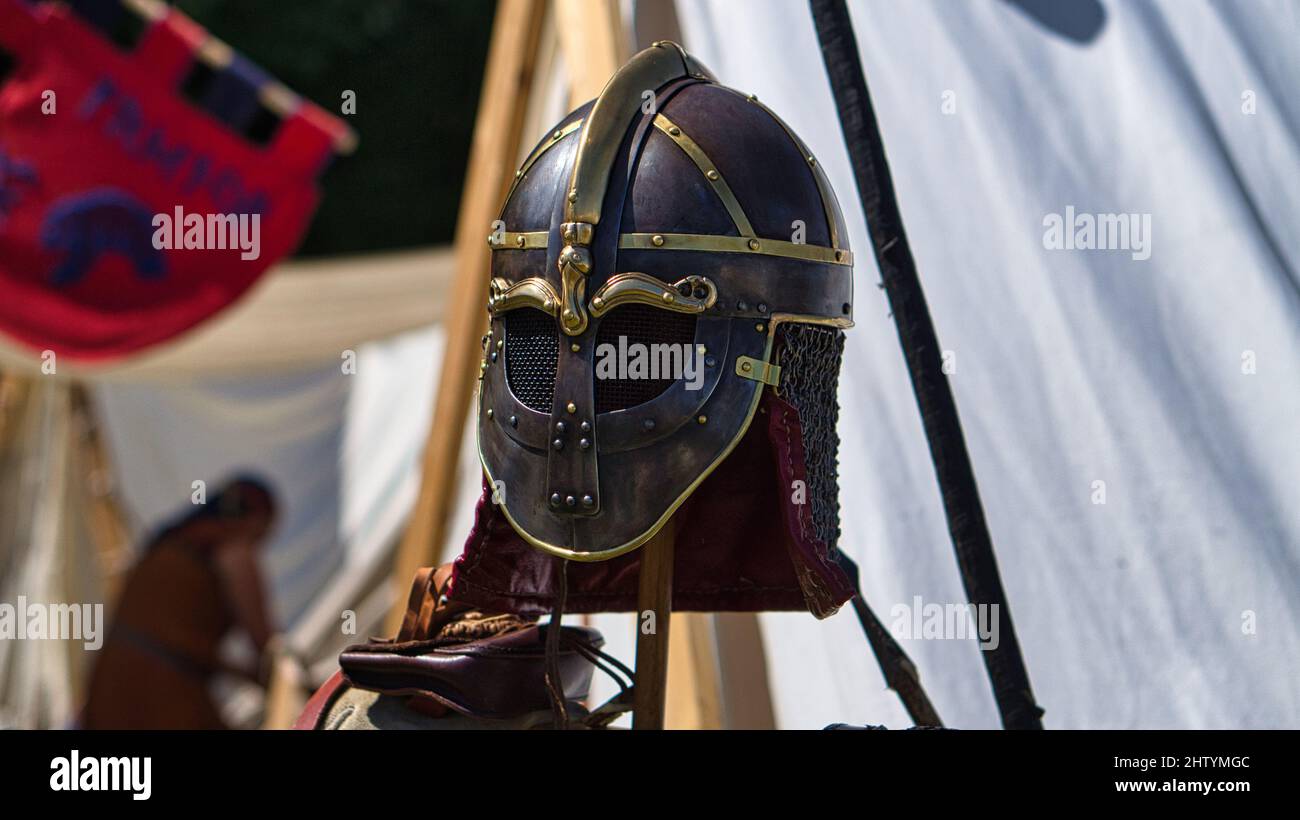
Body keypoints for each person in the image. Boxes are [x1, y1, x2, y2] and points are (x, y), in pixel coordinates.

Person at [81, 477, 278, 729]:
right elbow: (264, 642)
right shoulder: (233, 550)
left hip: (109, 684)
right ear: (254, 522)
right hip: (157, 691)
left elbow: (175, 639)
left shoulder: (170, 544)